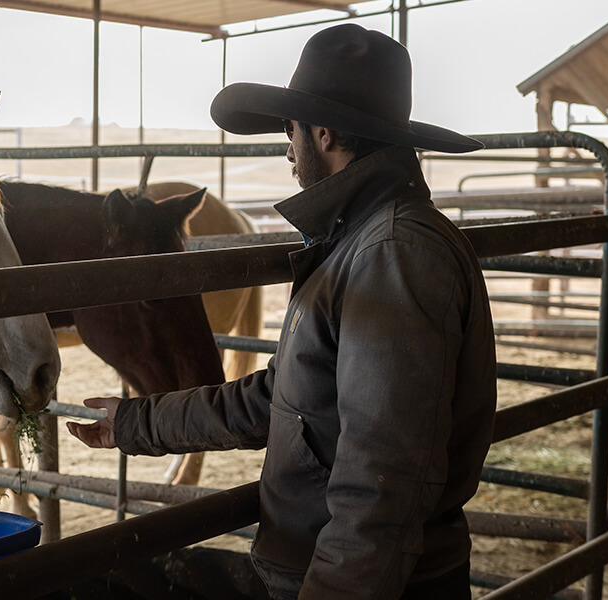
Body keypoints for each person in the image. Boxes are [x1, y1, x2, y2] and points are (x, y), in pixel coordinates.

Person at [66, 23, 497, 600]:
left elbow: (383, 483)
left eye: (289, 131)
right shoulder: (363, 243)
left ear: (324, 134)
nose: (287, 148)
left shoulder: (392, 255)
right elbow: (289, 400)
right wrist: (137, 422)